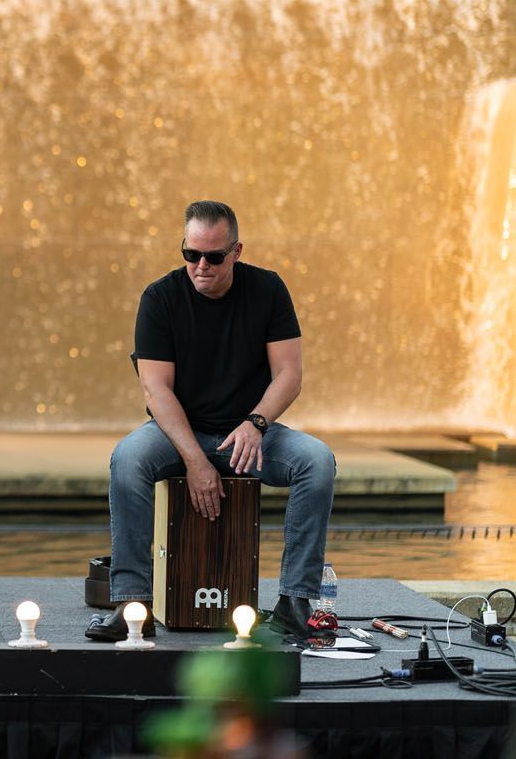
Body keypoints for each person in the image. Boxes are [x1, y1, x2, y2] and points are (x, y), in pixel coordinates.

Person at [88, 200, 336, 641]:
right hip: (179, 431)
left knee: (316, 461)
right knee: (128, 460)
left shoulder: (268, 290)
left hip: (248, 434)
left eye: (214, 257)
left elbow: (289, 375)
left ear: (236, 251)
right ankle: (132, 602)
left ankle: (295, 601)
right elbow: (156, 390)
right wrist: (195, 460)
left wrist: (255, 424)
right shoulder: (160, 298)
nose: (201, 265)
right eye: (191, 254)